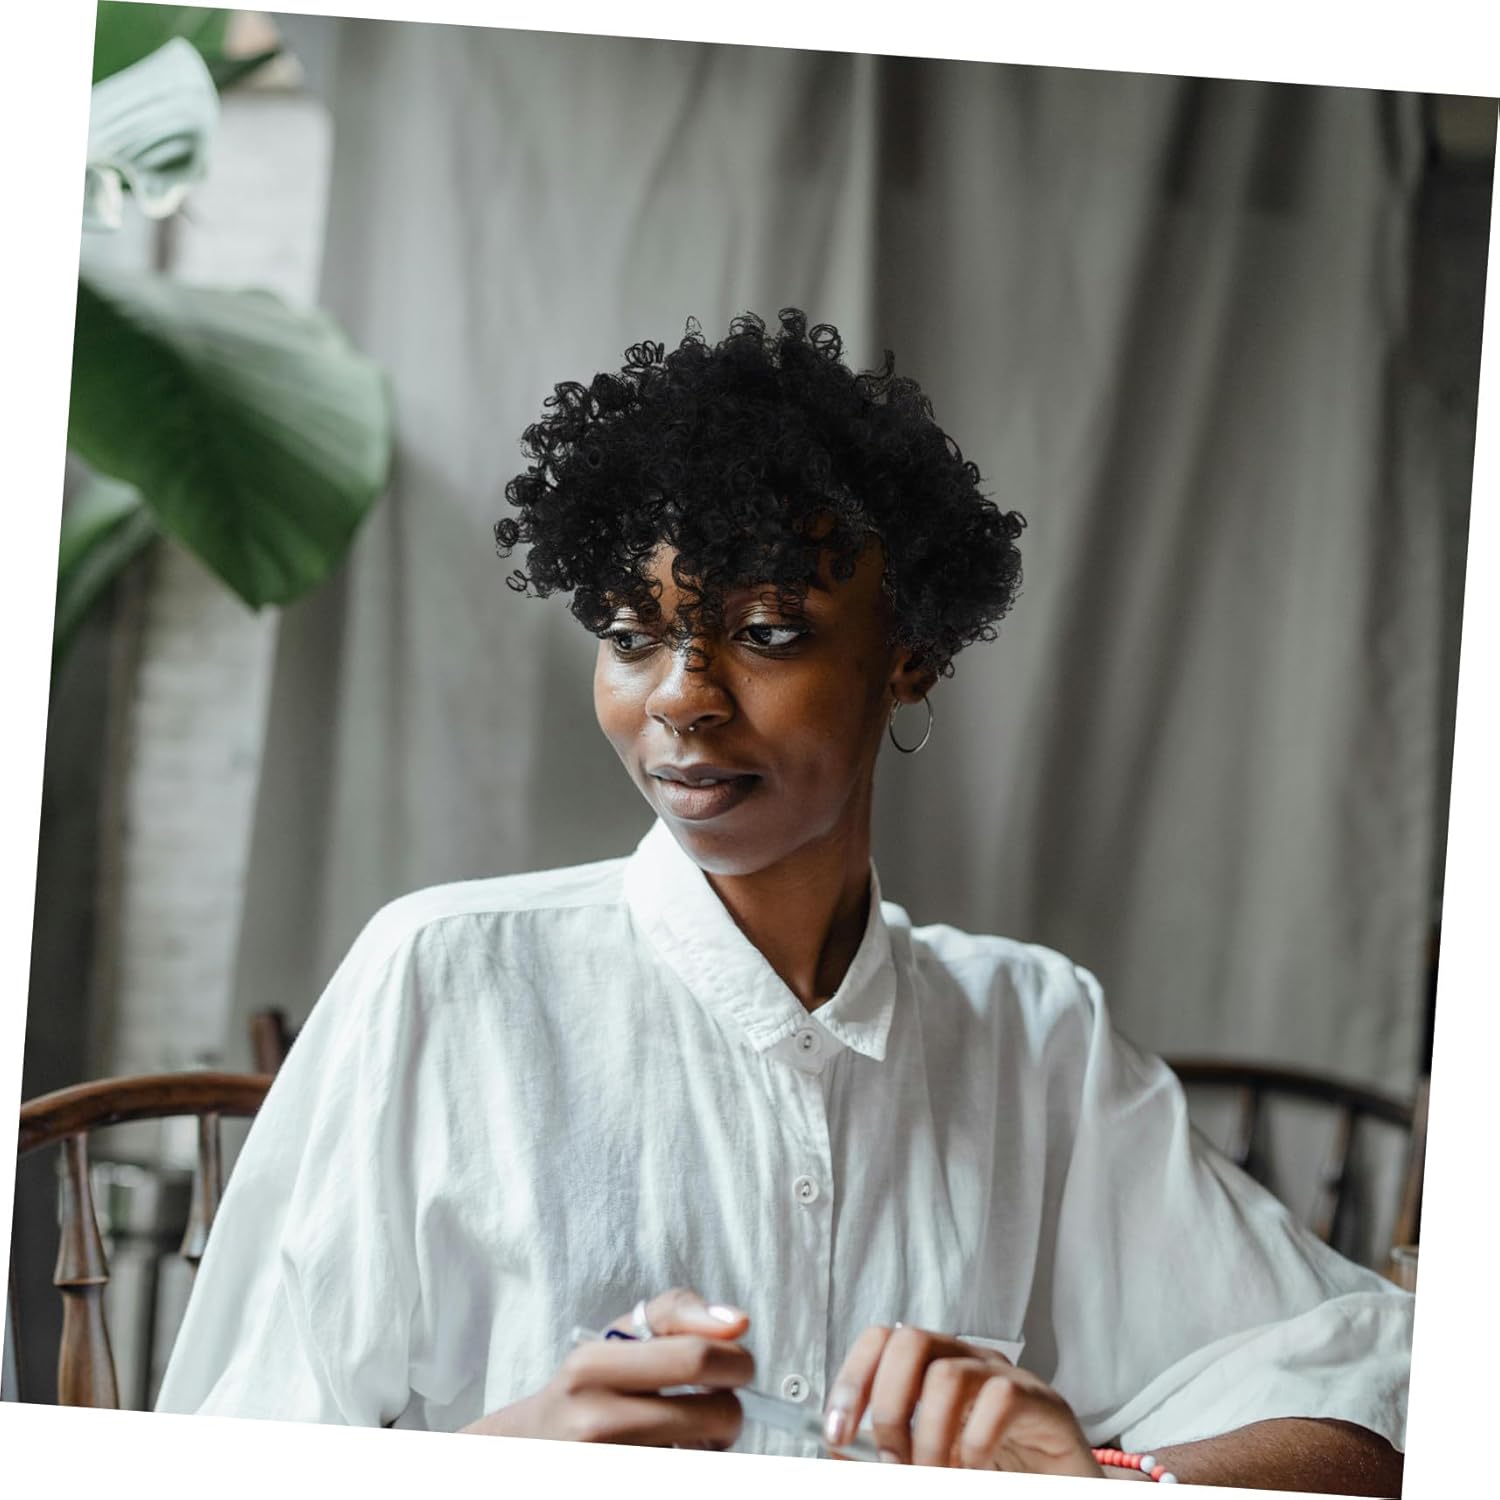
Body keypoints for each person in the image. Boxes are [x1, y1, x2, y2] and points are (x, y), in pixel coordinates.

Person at [156, 310, 1412, 1492]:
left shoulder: (1032, 1034)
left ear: (911, 655)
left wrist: (1097, 1481)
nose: (679, 698)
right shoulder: (444, 977)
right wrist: (508, 1454)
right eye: (632, 634)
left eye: (765, 633)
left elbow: (1390, 1383)